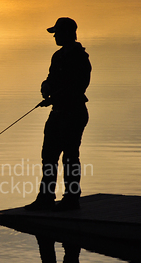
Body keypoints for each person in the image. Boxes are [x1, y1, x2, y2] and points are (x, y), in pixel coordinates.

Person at [25, 17, 91, 212]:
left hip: (74, 113)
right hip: (58, 113)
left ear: (68, 34)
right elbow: (51, 79)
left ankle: (71, 199)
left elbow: (78, 87)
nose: (54, 36)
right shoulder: (57, 56)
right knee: (49, 157)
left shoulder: (80, 58)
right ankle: (45, 198)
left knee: (70, 158)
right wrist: (46, 87)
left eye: (58, 33)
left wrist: (54, 98)